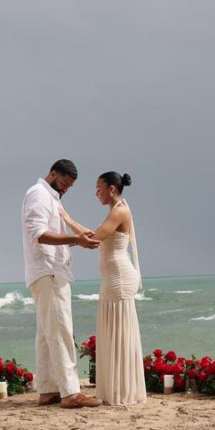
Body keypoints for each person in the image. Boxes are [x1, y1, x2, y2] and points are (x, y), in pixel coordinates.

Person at [21, 159, 102, 409]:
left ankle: (48, 390)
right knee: (61, 330)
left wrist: (76, 240)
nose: (65, 189)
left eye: (69, 187)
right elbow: (39, 234)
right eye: (64, 184)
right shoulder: (38, 195)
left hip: (48, 271)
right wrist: (76, 241)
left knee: (47, 334)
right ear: (52, 173)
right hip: (49, 271)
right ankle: (70, 392)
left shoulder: (51, 198)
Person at [61, 171, 147, 406]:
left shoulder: (119, 210)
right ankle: (118, 388)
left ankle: (122, 391)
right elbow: (92, 235)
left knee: (118, 330)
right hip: (112, 276)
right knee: (114, 330)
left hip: (118, 277)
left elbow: (94, 239)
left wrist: (67, 221)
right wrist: (69, 221)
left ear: (111, 188)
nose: (95, 192)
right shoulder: (115, 210)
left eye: (98, 187)